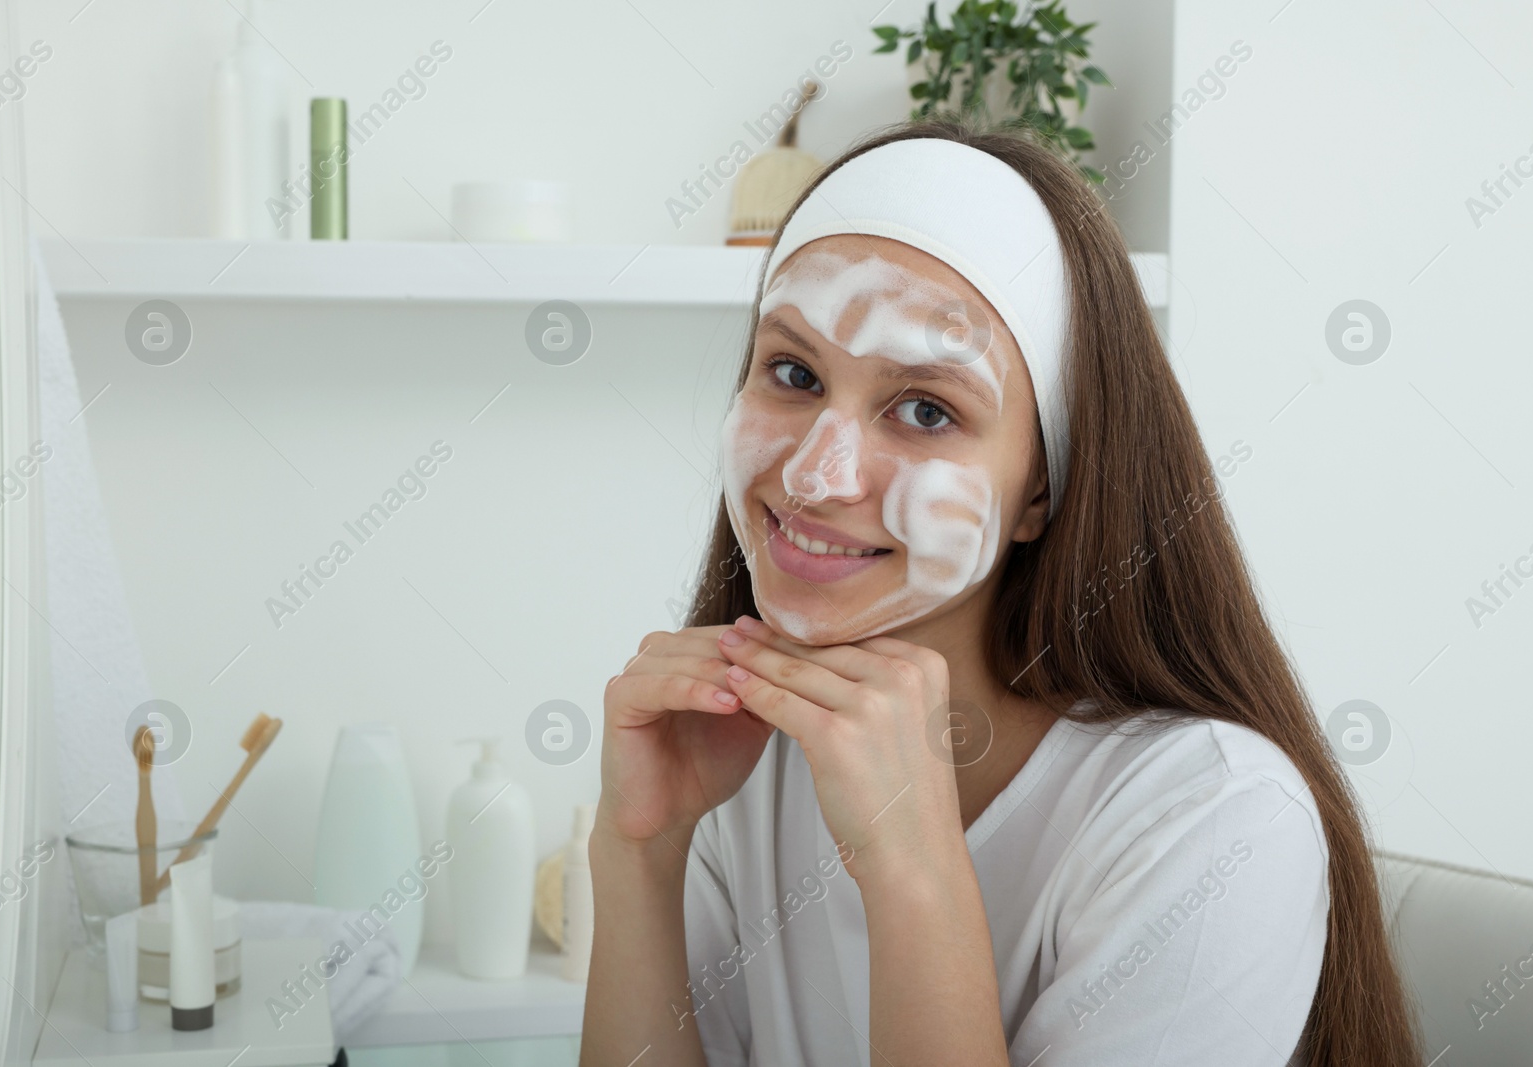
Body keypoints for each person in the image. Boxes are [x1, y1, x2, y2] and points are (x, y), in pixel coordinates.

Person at [580, 117, 1422, 1067]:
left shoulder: (1216, 821)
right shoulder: (738, 757)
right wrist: (639, 850)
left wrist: (912, 867)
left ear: (1040, 488)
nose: (816, 475)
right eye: (793, 372)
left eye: (927, 408)